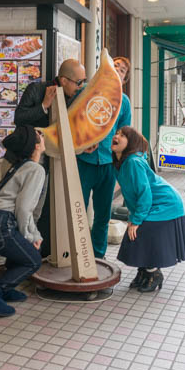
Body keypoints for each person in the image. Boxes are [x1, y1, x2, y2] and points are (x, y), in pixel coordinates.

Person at [13, 59, 86, 257]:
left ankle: (30, 257)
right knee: (19, 211)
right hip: (23, 162)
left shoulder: (74, 98)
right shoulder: (37, 89)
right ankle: (9, 262)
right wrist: (44, 105)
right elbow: (18, 118)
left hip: (47, 164)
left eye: (83, 81)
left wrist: (85, 144)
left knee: (36, 212)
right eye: (78, 82)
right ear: (64, 80)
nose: (81, 87)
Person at [0, 125, 48, 317]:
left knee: (21, 252)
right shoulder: (35, 169)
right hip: (0, 224)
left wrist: (30, 235)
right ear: (36, 146)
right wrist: (31, 236)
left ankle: (6, 290)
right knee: (33, 260)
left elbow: (22, 208)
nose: (43, 136)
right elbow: (24, 208)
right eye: (40, 135)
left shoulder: (19, 166)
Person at [110, 126, 185, 292]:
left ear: (130, 143)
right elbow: (133, 196)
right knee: (134, 232)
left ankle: (154, 273)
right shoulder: (120, 163)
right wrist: (133, 218)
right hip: (155, 203)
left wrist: (136, 221)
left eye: (122, 135)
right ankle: (144, 272)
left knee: (141, 231)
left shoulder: (133, 162)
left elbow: (144, 194)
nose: (116, 136)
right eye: (117, 133)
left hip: (166, 203)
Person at [76, 56, 132, 259]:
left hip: (108, 164)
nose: (117, 70)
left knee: (103, 214)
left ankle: (98, 255)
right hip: (83, 161)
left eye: (122, 70)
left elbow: (123, 134)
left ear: (124, 79)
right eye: (114, 65)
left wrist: (121, 164)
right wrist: (82, 143)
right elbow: (73, 121)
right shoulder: (86, 92)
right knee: (77, 211)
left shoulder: (124, 102)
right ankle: (77, 255)